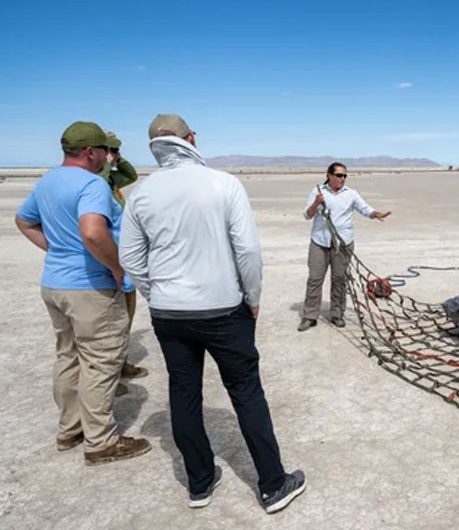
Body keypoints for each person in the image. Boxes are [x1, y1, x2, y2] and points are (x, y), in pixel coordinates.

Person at [119, 114, 305, 513]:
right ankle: (273, 485)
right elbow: (248, 251)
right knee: (246, 392)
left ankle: (199, 484)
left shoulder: (142, 193)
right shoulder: (223, 184)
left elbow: (131, 256)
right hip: (224, 310)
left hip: (170, 314)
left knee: (183, 394)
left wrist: (159, 295)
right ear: (191, 138)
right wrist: (252, 296)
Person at [14, 121, 151, 465]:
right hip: (89, 287)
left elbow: (24, 221)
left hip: (55, 285)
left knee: (68, 355)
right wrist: (116, 267)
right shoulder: (91, 184)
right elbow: (93, 233)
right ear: (91, 152)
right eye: (104, 150)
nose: (108, 156)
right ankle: (101, 441)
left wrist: (57, 251)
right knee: (100, 361)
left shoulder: (47, 181)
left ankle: (69, 429)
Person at [297, 162, 391, 332]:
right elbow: (307, 215)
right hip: (320, 242)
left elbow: (364, 208)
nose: (342, 179)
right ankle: (310, 316)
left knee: (339, 279)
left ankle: (337, 314)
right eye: (339, 175)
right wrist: (316, 203)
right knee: (315, 279)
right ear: (329, 175)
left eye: (345, 176)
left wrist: (376, 214)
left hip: (343, 244)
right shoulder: (318, 192)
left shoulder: (351, 194)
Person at [98, 131, 148, 392]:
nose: (115, 156)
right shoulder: (96, 182)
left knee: (125, 320)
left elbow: (131, 175)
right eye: (112, 151)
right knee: (110, 325)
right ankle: (108, 378)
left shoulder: (110, 182)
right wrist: (105, 162)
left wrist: (117, 158)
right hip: (108, 265)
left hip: (123, 263)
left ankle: (121, 363)